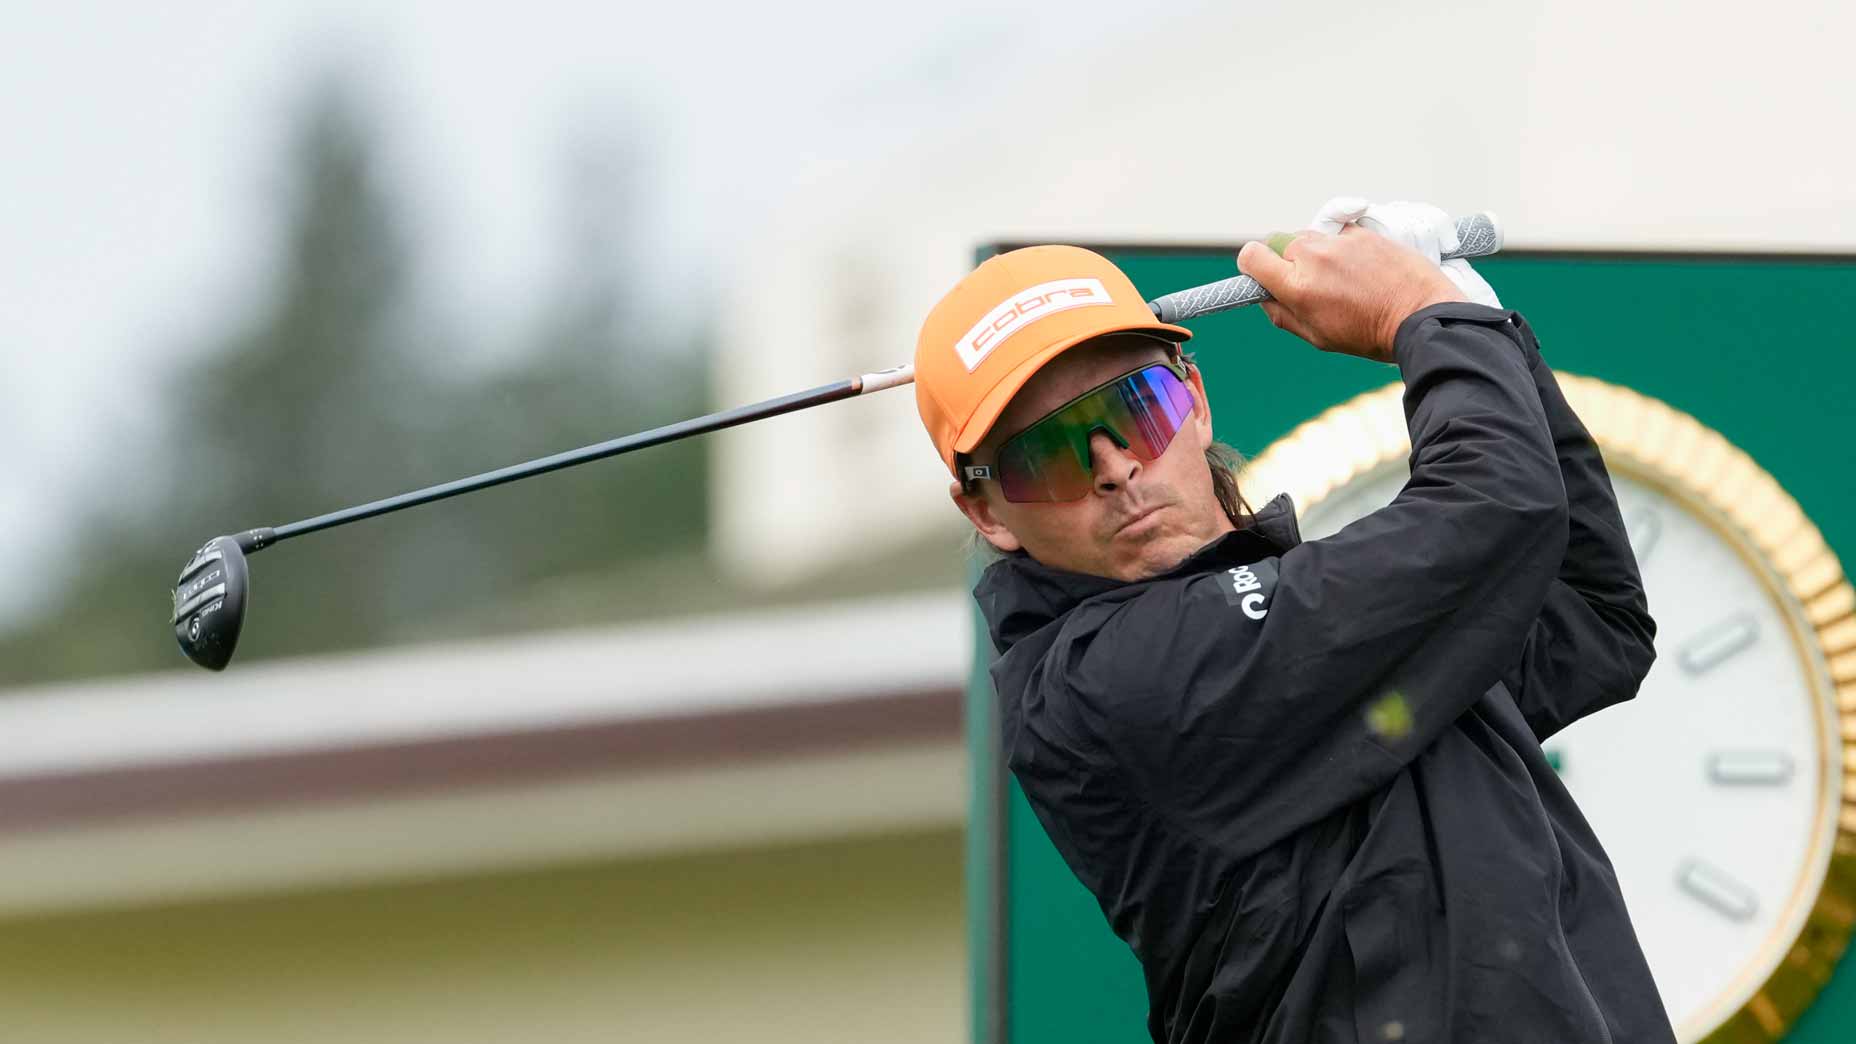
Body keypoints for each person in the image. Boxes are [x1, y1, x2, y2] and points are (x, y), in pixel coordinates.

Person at [911, 200, 1673, 1043]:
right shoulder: (1103, 685)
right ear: (986, 513)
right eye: (1048, 455)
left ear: (1192, 399)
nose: (1117, 468)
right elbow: (1490, 507)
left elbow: (1588, 617)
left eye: (1137, 407)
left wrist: (1479, 321)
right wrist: (1421, 315)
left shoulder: (1336, 651)